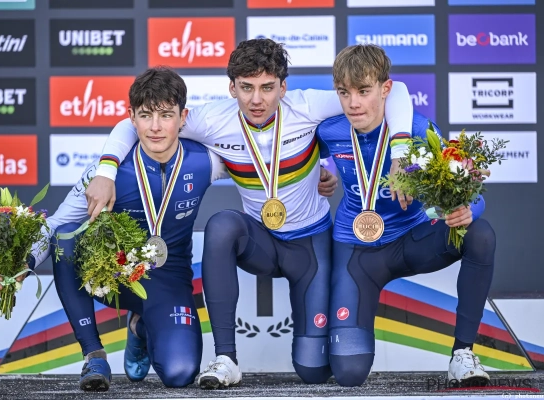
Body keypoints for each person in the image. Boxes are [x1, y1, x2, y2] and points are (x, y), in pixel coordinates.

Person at [84, 38, 414, 389]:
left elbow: (395, 91)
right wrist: (106, 170)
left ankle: (145, 329)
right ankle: (226, 358)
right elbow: (134, 122)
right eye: (246, 88)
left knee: (313, 370)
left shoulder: (308, 105)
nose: (257, 99)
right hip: (262, 242)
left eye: (267, 88)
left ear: (283, 88)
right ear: (232, 88)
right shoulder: (213, 119)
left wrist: (401, 153)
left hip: (309, 246)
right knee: (223, 225)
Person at [0, 67, 231, 391]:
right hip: (115, 275)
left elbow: (255, 171)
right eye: (145, 116)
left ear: (183, 117)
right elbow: (57, 224)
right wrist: (24, 261)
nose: (156, 127)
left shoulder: (207, 161)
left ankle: (140, 328)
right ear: (132, 118)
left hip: (169, 278)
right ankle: (94, 354)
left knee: (180, 372)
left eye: (166, 115)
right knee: (65, 239)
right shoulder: (106, 172)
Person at [316, 44, 495, 387]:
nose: (353, 103)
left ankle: (463, 354)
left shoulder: (418, 128)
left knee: (480, 234)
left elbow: (470, 192)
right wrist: (321, 172)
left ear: (386, 89)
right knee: (349, 373)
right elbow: (303, 158)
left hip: (412, 240)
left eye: (364, 91)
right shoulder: (329, 130)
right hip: (356, 251)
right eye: (344, 93)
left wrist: (467, 210)